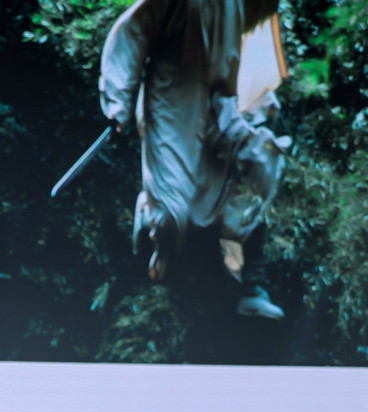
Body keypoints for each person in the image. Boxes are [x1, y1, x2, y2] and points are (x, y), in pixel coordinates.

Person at [100, 0, 286, 319]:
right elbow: (132, 32)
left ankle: (251, 284)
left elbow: (255, 26)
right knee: (174, 215)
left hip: (221, 108)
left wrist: (261, 100)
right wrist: (117, 103)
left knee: (260, 161)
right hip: (171, 108)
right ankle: (150, 218)